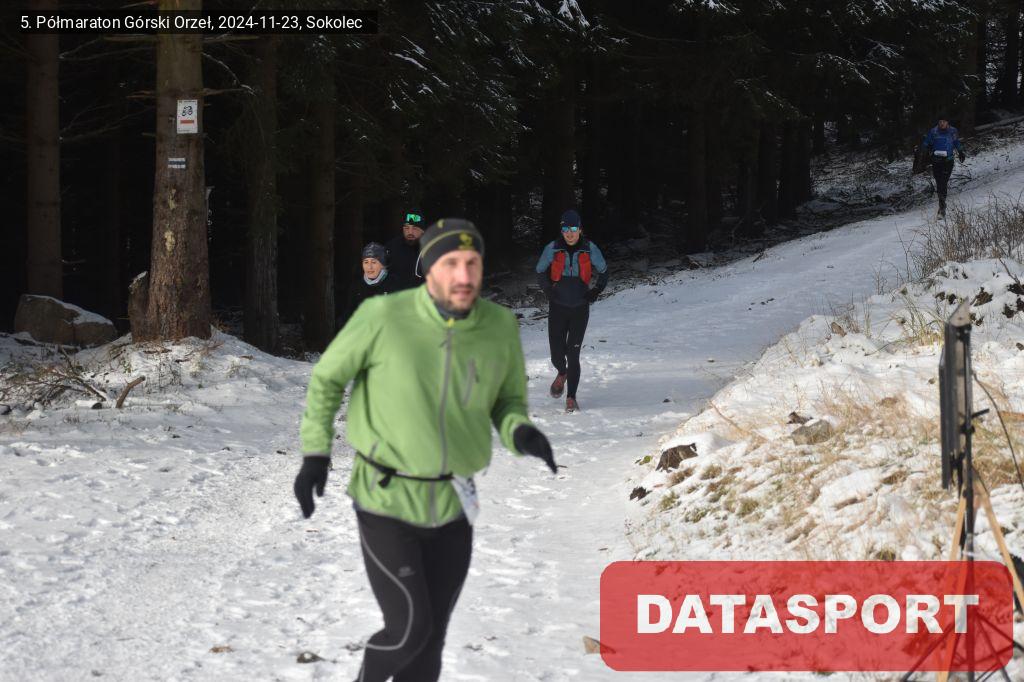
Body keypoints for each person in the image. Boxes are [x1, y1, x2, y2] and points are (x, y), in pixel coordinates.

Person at [294, 218, 557, 682]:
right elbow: (327, 378)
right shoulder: (382, 316)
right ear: (429, 270)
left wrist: (520, 432)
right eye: (451, 263)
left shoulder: (497, 326)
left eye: (473, 263)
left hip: (454, 502)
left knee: (431, 641)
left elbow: (507, 402)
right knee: (408, 630)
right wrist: (316, 454)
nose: (464, 274)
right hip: (386, 498)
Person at [534, 209, 608, 413]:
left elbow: (604, 271)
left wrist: (596, 291)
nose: (569, 233)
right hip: (557, 307)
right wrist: (547, 289)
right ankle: (562, 372)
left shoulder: (590, 249)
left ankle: (571, 398)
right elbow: (540, 270)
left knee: (573, 353)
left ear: (580, 229)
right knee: (557, 355)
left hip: (579, 309)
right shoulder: (553, 248)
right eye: (565, 229)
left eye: (573, 228)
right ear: (562, 230)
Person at [921, 115, 966, 218]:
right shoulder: (933, 132)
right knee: (939, 183)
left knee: (943, 182)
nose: (942, 124)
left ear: (947, 122)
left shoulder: (953, 131)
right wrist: (925, 150)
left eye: (944, 121)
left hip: (948, 161)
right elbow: (926, 143)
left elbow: (956, 142)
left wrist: (961, 152)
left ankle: (941, 208)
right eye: (940, 121)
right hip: (936, 161)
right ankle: (942, 204)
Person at [344, 242, 396, 321]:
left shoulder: (394, 284)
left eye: (374, 262)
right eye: (366, 262)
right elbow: (349, 315)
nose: (369, 267)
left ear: (383, 265)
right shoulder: (356, 287)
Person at [385, 211, 426, 290]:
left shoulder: (431, 249)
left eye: (415, 228)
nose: (410, 232)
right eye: (406, 228)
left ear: (422, 230)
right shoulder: (392, 247)